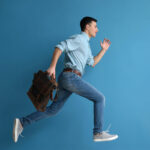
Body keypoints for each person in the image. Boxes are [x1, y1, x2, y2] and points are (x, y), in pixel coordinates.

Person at [12, 16, 118, 143]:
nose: (97, 29)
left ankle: (22, 123)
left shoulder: (86, 45)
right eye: (95, 26)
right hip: (71, 77)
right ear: (87, 26)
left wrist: (103, 50)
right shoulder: (79, 39)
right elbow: (60, 47)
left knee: (52, 110)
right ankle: (98, 132)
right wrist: (52, 66)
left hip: (68, 79)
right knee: (100, 98)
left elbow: (92, 62)